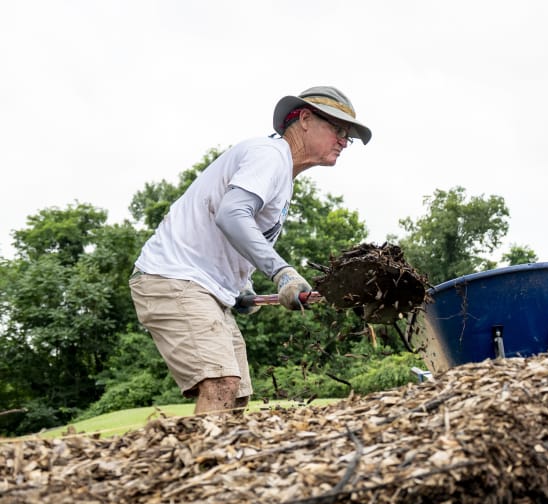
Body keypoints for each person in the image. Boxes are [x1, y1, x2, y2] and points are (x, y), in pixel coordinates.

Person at [130, 86, 372, 414]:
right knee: (220, 384)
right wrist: (282, 273)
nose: (343, 141)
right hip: (174, 277)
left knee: (237, 394)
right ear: (304, 119)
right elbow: (231, 215)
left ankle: (214, 447)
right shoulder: (269, 156)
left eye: (348, 136)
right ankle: (199, 450)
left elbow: (236, 233)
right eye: (338, 130)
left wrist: (241, 285)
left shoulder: (281, 175)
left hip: (206, 288)